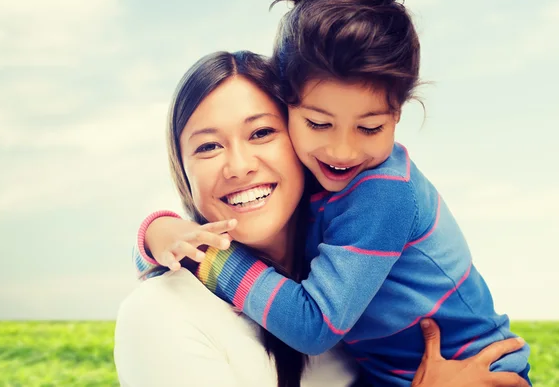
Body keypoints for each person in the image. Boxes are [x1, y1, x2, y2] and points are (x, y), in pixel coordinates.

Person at [120, 50, 529, 387]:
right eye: (208, 147)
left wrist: (205, 256)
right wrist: (165, 235)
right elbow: (170, 253)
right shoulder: (161, 315)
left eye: (261, 133)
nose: (239, 166)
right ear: (182, 168)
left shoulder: (329, 276)